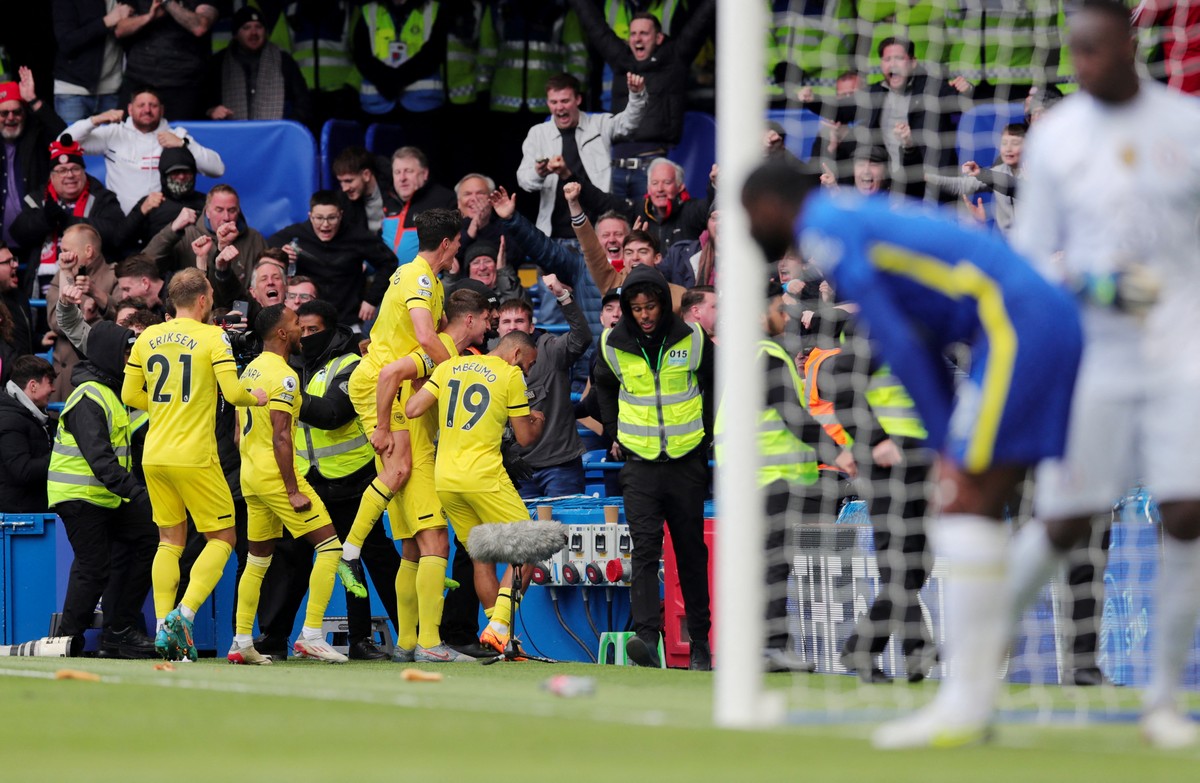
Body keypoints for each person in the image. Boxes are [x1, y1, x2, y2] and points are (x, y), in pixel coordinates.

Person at [741, 161, 1083, 748]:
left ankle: (965, 696)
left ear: (774, 205)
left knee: (970, 502)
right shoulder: (851, 216)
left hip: (1014, 323)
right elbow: (918, 338)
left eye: (749, 216)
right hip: (1032, 318)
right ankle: (973, 676)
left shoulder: (826, 227)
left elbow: (896, 338)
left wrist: (946, 441)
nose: (750, 231)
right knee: (1034, 509)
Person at [1008, 0, 1200, 749]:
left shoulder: (1185, 126)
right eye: (1075, 53)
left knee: (1187, 511)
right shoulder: (1057, 141)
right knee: (1065, 522)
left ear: (1130, 42)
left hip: (1180, 355)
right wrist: (1097, 284)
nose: (1084, 65)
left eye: (1095, 50)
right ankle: (971, 673)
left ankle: (1162, 698)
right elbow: (1030, 262)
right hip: (1095, 357)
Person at [121, 267, 269, 661]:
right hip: (195, 455)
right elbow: (234, 393)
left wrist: (168, 406)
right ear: (204, 300)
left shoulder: (148, 336)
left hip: (154, 453)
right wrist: (257, 397)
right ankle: (182, 617)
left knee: (169, 541)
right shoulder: (212, 336)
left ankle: (161, 628)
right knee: (223, 538)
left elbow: (129, 393)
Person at [227, 304, 364, 665]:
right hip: (276, 478)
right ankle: (311, 635)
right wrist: (292, 489)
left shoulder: (251, 369)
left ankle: (241, 641)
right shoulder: (285, 376)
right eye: (295, 324)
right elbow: (282, 436)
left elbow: (239, 433)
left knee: (257, 560)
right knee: (332, 548)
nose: (302, 330)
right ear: (283, 334)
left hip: (251, 477)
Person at [594, 263, 714, 670]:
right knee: (644, 551)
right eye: (637, 307)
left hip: (686, 465)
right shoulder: (612, 343)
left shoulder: (694, 338)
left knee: (690, 556)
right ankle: (647, 639)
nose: (645, 314)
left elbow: (715, 384)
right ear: (627, 309)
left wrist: (707, 436)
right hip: (639, 467)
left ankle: (700, 645)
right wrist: (612, 432)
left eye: (651, 306)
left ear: (665, 303)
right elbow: (604, 388)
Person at [404, 329, 544, 655]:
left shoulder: (450, 366)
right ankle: (499, 626)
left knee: (481, 556)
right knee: (532, 545)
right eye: (529, 365)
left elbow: (412, 408)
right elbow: (524, 438)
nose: (527, 371)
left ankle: (500, 640)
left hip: (446, 479)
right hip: (483, 476)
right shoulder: (510, 375)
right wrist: (536, 419)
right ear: (518, 354)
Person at [340, 208, 460, 586]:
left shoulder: (431, 282)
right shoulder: (417, 278)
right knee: (399, 470)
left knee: (405, 481)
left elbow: (438, 333)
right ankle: (349, 553)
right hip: (381, 381)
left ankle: (427, 565)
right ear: (446, 243)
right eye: (458, 242)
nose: (459, 248)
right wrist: (457, 378)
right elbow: (426, 337)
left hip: (394, 382)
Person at [373, 288, 493, 662]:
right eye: (488, 318)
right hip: (418, 458)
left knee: (411, 550)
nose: (491, 326)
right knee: (437, 546)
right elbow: (390, 372)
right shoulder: (439, 349)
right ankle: (429, 642)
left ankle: (407, 642)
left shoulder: (450, 355)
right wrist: (381, 427)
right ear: (470, 319)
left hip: (405, 455)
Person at [47, 321, 159, 659]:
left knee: (148, 537)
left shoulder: (111, 391)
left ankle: (119, 629)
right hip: (80, 497)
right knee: (93, 567)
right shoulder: (88, 396)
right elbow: (100, 461)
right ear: (110, 354)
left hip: (105, 495)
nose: (130, 359)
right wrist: (138, 494)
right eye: (126, 352)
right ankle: (68, 640)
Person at [568, 0, 716, 204]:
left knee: (648, 233)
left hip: (651, 168)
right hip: (615, 168)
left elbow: (701, 21)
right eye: (633, 34)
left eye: (644, 34)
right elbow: (594, 26)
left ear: (659, 38)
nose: (638, 39)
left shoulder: (674, 57)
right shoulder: (621, 59)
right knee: (614, 231)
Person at [517, 72, 646, 239]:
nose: (559, 107)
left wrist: (637, 95)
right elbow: (524, 181)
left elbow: (630, 123)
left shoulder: (599, 124)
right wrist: (539, 173)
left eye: (565, 101)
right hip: (555, 236)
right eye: (553, 102)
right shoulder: (538, 133)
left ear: (578, 100)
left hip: (597, 235)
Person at [496, 279, 592, 498]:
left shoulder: (550, 349)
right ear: (498, 328)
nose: (512, 327)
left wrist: (563, 296)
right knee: (521, 533)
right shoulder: (488, 360)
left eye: (519, 321)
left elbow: (582, 338)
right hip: (516, 468)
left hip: (560, 466)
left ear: (531, 327)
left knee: (564, 533)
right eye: (506, 321)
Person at [64, 89, 225, 213]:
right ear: (130, 109)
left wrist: (183, 144)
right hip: (119, 219)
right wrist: (95, 120)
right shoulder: (114, 133)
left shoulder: (176, 135)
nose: (147, 110)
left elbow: (217, 169)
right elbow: (63, 143)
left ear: (161, 110)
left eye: (153, 105)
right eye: (141, 105)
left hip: (160, 219)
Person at [270, 191, 398, 329]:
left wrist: (372, 300)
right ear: (310, 217)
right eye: (319, 218)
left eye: (332, 218)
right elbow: (266, 255)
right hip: (304, 322)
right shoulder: (295, 235)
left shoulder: (357, 236)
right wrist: (282, 255)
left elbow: (389, 263)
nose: (325, 224)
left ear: (341, 215)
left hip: (347, 321)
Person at [10, 136, 125, 285]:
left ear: (84, 171)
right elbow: (18, 232)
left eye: (75, 169)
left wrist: (71, 221)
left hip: (90, 286)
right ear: (52, 177)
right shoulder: (37, 199)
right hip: (41, 285)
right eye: (62, 170)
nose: (69, 175)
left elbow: (117, 233)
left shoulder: (102, 197)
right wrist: (45, 220)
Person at [45, 224, 120, 403]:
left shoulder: (115, 275)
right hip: (64, 379)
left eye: (66, 250)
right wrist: (66, 273)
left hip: (101, 377)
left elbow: (124, 320)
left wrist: (99, 296)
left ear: (88, 250)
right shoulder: (60, 275)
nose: (62, 256)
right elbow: (57, 322)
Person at [204, 6, 311, 124]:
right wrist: (211, 110)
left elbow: (303, 101)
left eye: (258, 27)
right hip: (231, 134)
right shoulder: (218, 62)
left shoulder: (283, 61)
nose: (254, 32)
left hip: (276, 135)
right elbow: (201, 100)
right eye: (246, 28)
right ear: (235, 34)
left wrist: (288, 125)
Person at [0, 69, 68, 251]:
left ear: (25, 113)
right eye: (4, 113)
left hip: (36, 242)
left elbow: (65, 138)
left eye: (17, 112)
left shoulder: (36, 137)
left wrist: (33, 100)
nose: (10, 118)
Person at [116, 0, 217, 121]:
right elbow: (120, 29)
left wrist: (167, 3)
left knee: (181, 137)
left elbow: (200, 27)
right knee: (130, 135)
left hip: (183, 85)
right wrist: (149, 17)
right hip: (139, 80)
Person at [925, 124, 1026, 236]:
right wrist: (928, 178)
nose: (1008, 148)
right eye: (1004, 143)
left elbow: (1015, 185)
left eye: (1015, 143)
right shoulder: (997, 172)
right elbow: (962, 185)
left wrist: (983, 174)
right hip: (1007, 244)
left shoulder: (1037, 173)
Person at [51, 0, 131, 125]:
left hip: (112, 89)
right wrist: (106, 22)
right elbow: (66, 42)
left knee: (113, 144)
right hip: (73, 90)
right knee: (71, 143)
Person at [121, 145, 207, 252]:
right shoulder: (150, 203)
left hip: (197, 263)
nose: (181, 177)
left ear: (193, 174)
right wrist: (140, 212)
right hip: (157, 265)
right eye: (175, 172)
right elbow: (120, 241)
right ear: (164, 175)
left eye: (186, 172)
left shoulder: (206, 202)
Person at [380, 146, 456, 264]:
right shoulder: (389, 200)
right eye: (397, 172)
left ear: (424, 173)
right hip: (388, 279)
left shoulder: (444, 200)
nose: (402, 178)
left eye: (408, 171)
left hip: (425, 279)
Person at [0, 355, 54, 512]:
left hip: (29, 508)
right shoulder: (10, 419)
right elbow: (23, 470)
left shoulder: (32, 415)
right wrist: (59, 457)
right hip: (19, 515)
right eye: (49, 382)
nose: (53, 389)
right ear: (33, 386)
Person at [333, 145, 397, 235]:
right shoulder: (343, 201)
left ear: (366, 175)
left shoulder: (397, 190)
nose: (344, 188)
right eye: (341, 182)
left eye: (349, 181)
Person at [461, 239, 526, 305]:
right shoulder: (460, 296)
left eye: (487, 261)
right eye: (476, 263)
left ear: (496, 266)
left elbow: (519, 308)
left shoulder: (512, 291)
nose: (482, 268)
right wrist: (451, 277)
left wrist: (503, 271)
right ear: (468, 270)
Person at [0, 242, 35, 361]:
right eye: (8, 262)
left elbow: (21, 340)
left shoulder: (20, 297)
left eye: (14, 259)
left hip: (23, 375)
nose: (15, 265)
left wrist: (39, 340)